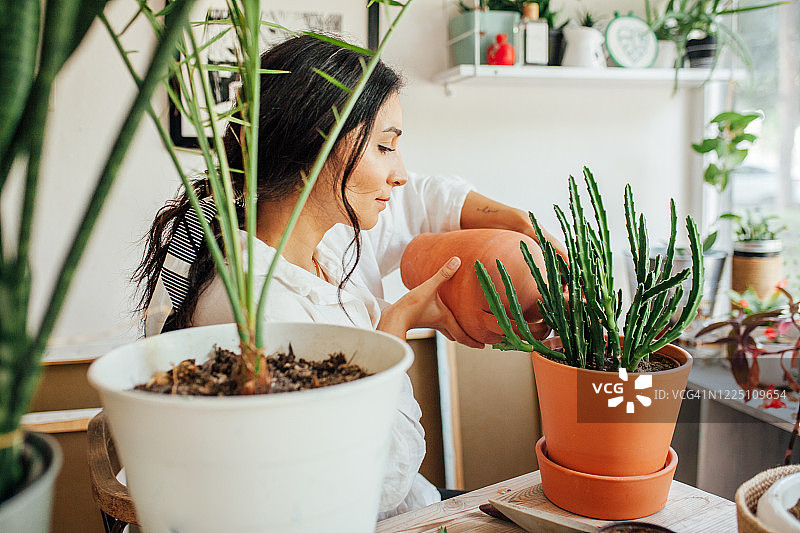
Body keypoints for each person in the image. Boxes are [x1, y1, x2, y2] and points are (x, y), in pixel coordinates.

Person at [134, 34, 565, 520]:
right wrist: (395, 331)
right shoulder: (261, 314)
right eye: (385, 147)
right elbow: (363, 486)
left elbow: (419, 201)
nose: (399, 172)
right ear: (314, 147)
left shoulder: (328, 241)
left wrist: (516, 220)